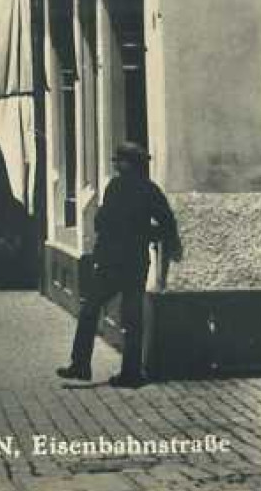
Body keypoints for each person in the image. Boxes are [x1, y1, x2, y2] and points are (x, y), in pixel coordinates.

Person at [57, 142, 182, 389]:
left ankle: (81, 365)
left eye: (119, 161)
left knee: (90, 309)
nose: (116, 166)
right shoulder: (149, 189)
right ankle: (130, 374)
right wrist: (147, 234)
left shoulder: (114, 188)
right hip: (135, 261)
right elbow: (167, 222)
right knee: (132, 317)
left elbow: (102, 221)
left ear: (127, 164)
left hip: (111, 263)